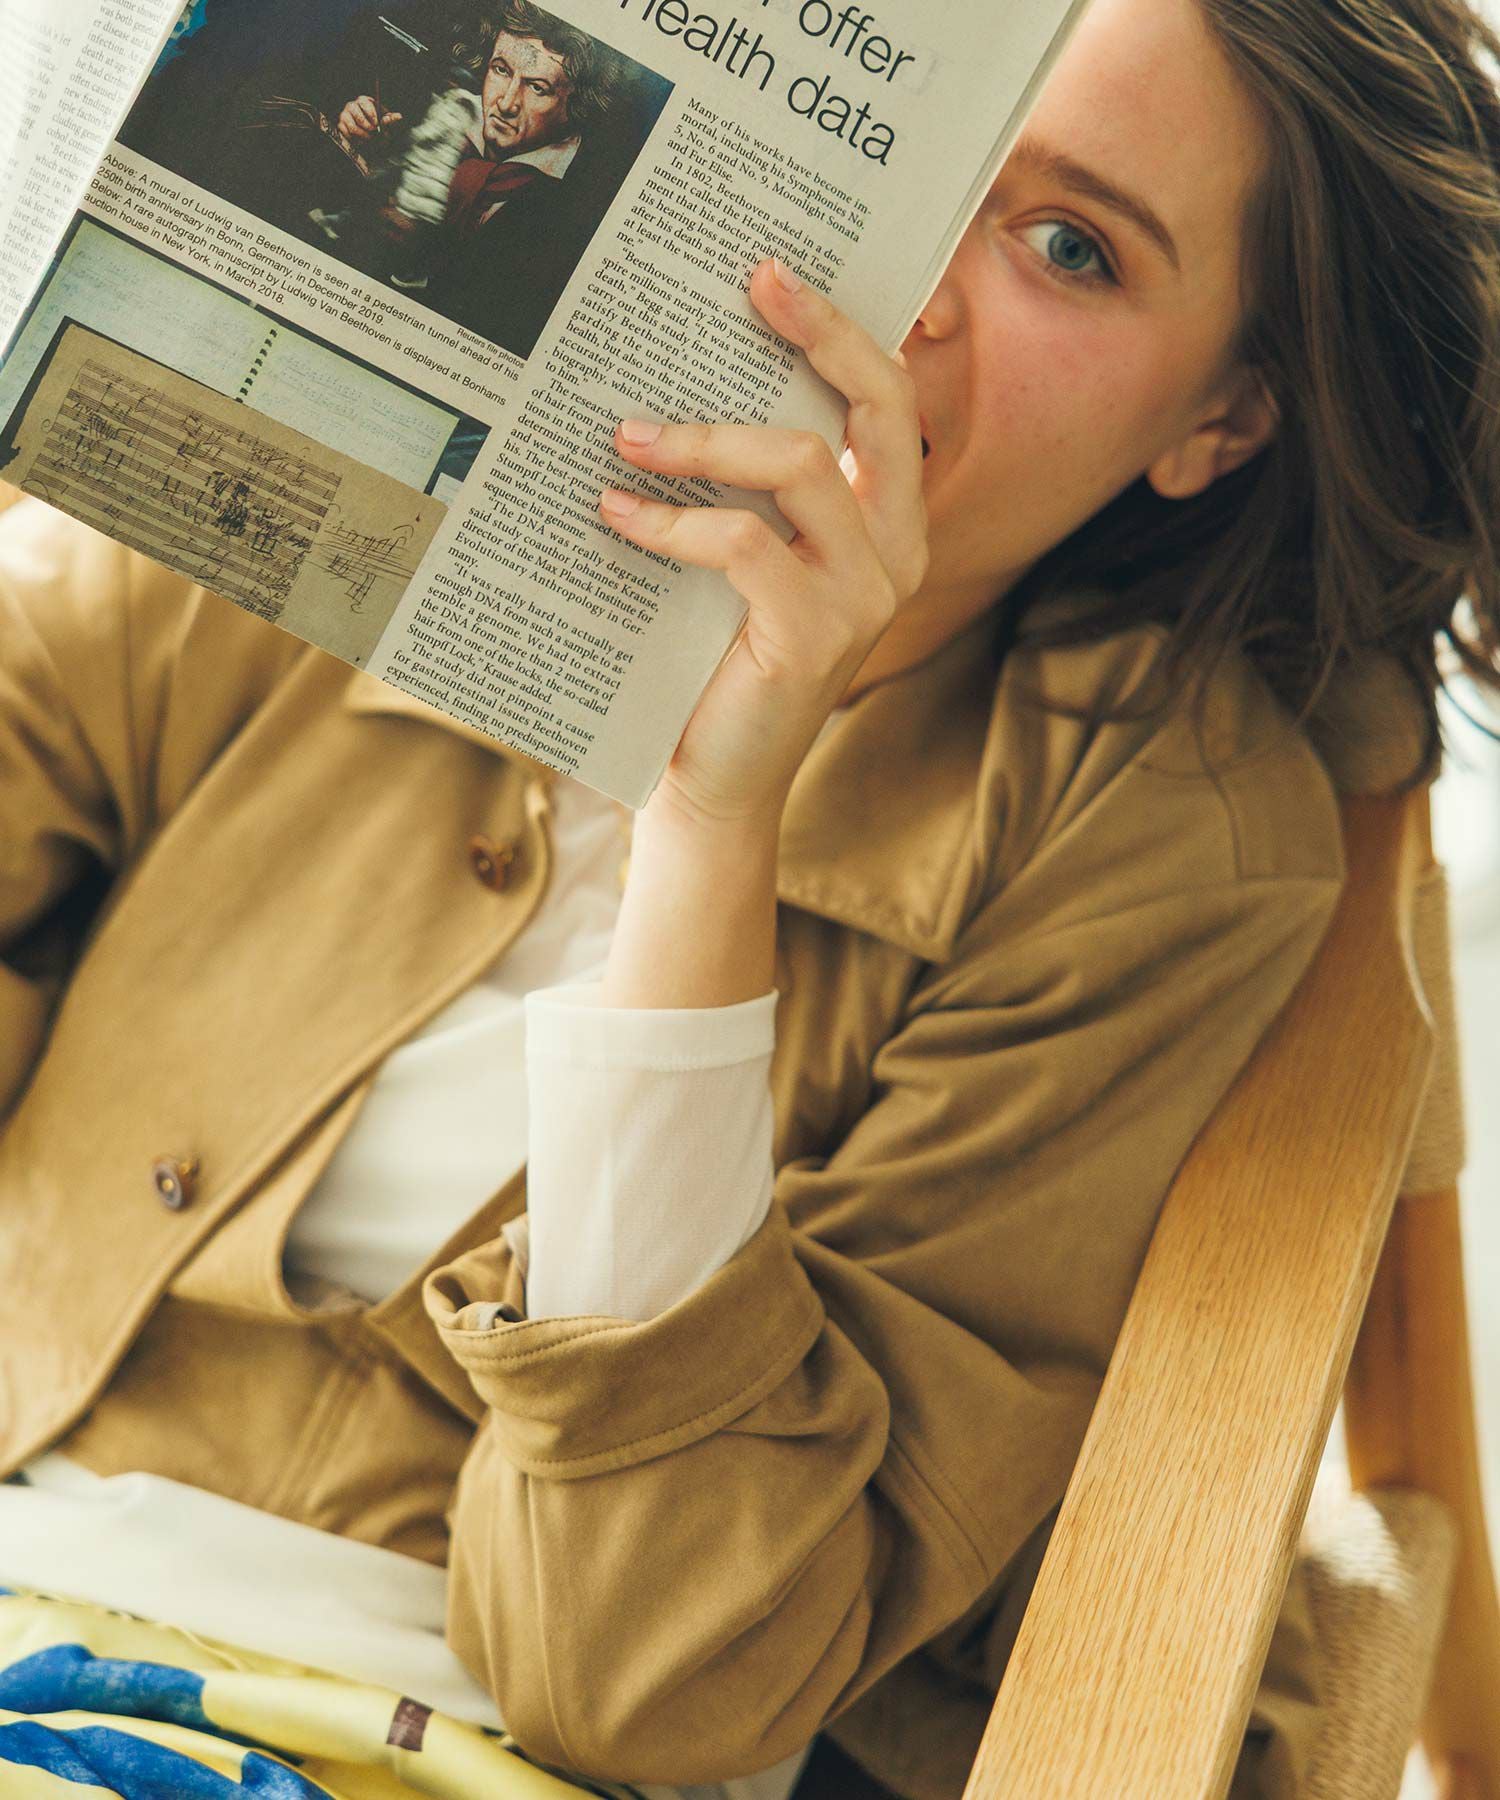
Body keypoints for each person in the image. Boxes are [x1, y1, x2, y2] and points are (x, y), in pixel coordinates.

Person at [0, 1, 1495, 1800]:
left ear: (1220, 418)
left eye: (1068, 247)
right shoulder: (338, 491)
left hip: (399, 1741)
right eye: (911, 153)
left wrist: (709, 833)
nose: (913, 292)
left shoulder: (1149, 846)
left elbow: (645, 1676)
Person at [334, 2, 640, 353]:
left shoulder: (583, 206)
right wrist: (355, 143)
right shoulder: (440, 112)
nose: (506, 103)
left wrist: (419, 255)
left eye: (537, 88)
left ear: (576, 106)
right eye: (501, 70)